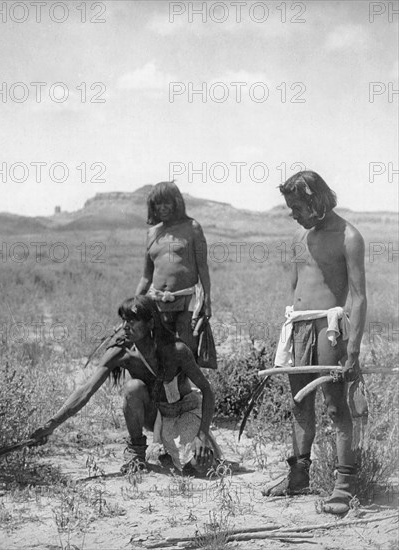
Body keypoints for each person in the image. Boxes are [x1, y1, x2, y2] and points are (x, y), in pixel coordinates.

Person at [262, 171, 367, 515]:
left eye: (296, 206)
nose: (292, 213)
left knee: (337, 408)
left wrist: (352, 350)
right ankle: (298, 476)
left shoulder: (348, 236)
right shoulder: (299, 237)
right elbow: (297, 288)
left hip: (330, 328)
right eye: (289, 207)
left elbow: (359, 296)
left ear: (315, 200)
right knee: (299, 404)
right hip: (299, 327)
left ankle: (344, 485)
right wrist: (292, 329)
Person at [30, 295, 222, 475]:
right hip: (157, 416)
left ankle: (171, 451)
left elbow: (207, 391)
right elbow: (85, 391)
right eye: (124, 321)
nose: (125, 326)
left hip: (185, 411)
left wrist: (202, 434)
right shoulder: (122, 353)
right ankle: (136, 453)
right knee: (133, 388)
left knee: (201, 467)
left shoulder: (175, 349)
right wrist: (50, 426)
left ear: (150, 323)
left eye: (132, 321)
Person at [135, 181, 212, 356]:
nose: (162, 207)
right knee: (162, 352)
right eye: (158, 203)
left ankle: (186, 383)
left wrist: (207, 301)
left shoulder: (192, 228)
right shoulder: (152, 233)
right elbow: (146, 277)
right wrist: (134, 303)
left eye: (167, 202)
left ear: (176, 202)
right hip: (157, 302)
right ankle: (170, 384)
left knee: (186, 350)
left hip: (186, 300)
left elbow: (202, 267)